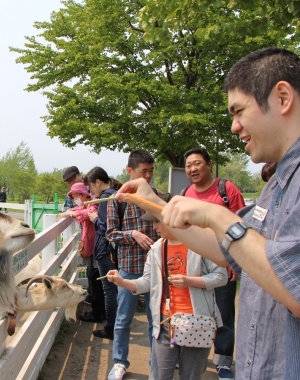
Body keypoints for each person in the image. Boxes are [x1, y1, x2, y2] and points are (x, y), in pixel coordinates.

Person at [114, 47, 300, 380]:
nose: (234, 126)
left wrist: (220, 217)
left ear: (282, 97)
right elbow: (231, 250)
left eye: (239, 110)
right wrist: (151, 203)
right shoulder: (278, 183)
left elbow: (295, 289)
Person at [107, 194, 227, 380]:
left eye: (158, 221)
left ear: (173, 220)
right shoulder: (156, 249)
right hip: (164, 322)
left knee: (191, 375)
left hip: (196, 322)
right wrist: (121, 281)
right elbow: (147, 282)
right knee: (159, 374)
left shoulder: (200, 245)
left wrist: (189, 281)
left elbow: (221, 277)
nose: (154, 227)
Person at [182, 147, 245, 380]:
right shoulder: (186, 192)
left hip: (222, 260)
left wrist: (234, 262)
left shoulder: (226, 189)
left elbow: (241, 227)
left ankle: (223, 361)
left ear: (209, 164)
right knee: (196, 311)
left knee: (224, 312)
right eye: (189, 165)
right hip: (194, 261)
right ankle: (191, 356)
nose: (193, 169)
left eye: (197, 163)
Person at [106, 149, 159, 380]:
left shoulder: (157, 197)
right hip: (128, 266)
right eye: (143, 171)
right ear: (130, 172)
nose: (147, 176)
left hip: (156, 268)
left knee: (155, 318)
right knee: (123, 318)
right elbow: (110, 234)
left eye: (151, 171)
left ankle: (157, 361)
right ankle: (119, 362)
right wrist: (133, 234)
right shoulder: (116, 200)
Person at [84, 166, 122, 340]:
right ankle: (114, 325)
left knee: (109, 290)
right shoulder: (116, 193)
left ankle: (111, 327)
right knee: (113, 288)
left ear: (98, 182)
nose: (92, 191)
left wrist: (95, 219)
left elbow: (107, 228)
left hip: (106, 250)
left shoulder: (105, 199)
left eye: (91, 187)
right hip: (114, 250)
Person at [57, 182, 103, 320]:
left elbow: (86, 214)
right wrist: (71, 212)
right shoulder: (85, 205)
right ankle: (97, 310)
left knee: (95, 279)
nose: (76, 199)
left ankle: (98, 313)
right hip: (91, 247)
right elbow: (80, 211)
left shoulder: (93, 203)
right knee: (92, 277)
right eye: (74, 197)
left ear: (84, 194)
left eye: (77, 196)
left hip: (95, 247)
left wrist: (70, 213)